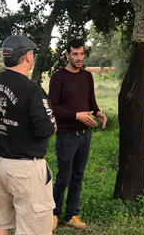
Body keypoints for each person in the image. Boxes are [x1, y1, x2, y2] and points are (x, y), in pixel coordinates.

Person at [0, 35, 57, 235]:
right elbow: (46, 129)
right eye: (32, 53)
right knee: (33, 230)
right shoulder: (32, 90)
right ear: (27, 56)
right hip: (25, 170)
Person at [48, 38, 107, 231]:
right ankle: (54, 214)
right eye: (75, 54)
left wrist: (97, 113)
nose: (79, 58)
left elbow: (90, 99)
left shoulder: (87, 76)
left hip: (85, 136)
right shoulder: (58, 78)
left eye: (81, 54)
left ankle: (72, 214)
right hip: (66, 136)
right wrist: (76, 116)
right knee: (63, 178)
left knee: (78, 176)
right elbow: (52, 107)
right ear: (67, 55)